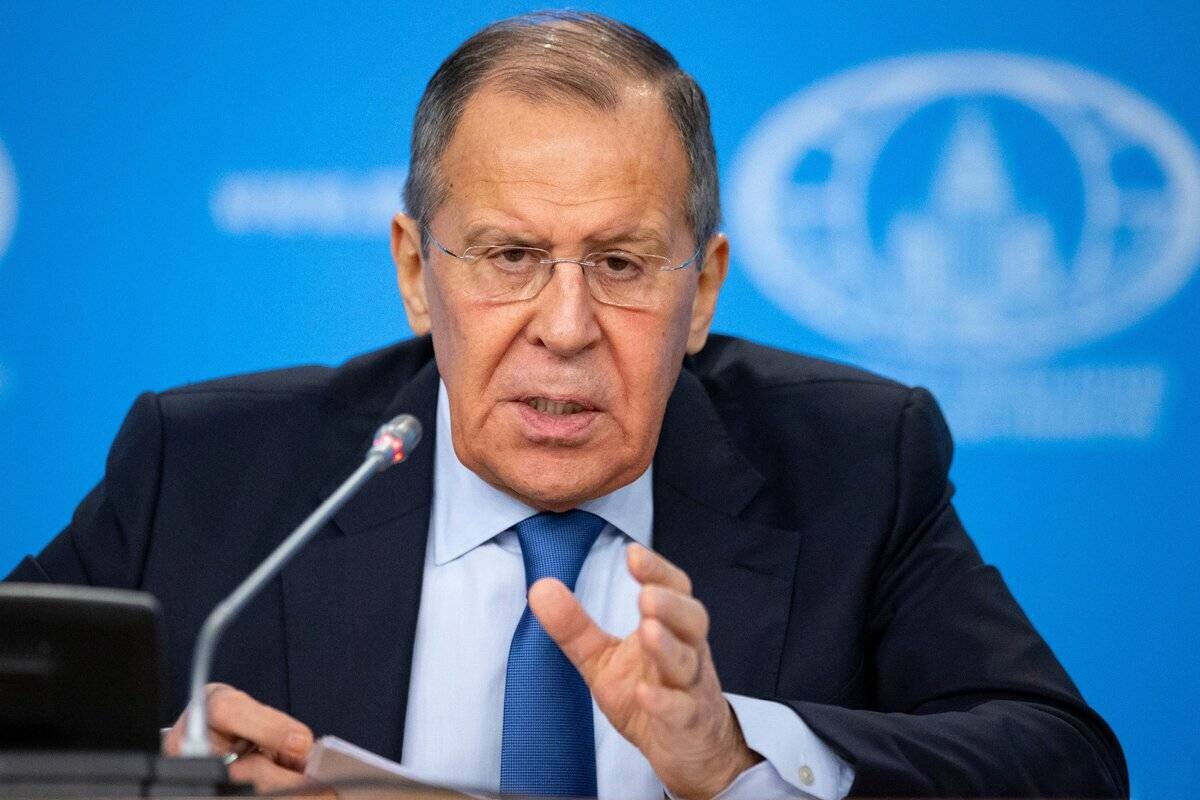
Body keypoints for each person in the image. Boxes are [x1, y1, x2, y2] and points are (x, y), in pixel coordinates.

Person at [6, 11, 1127, 800]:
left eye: (624, 264)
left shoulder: (851, 464)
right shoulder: (207, 469)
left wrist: (737, 754)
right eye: (510, 256)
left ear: (704, 289)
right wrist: (148, 779)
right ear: (415, 271)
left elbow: (1064, 763)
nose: (566, 323)